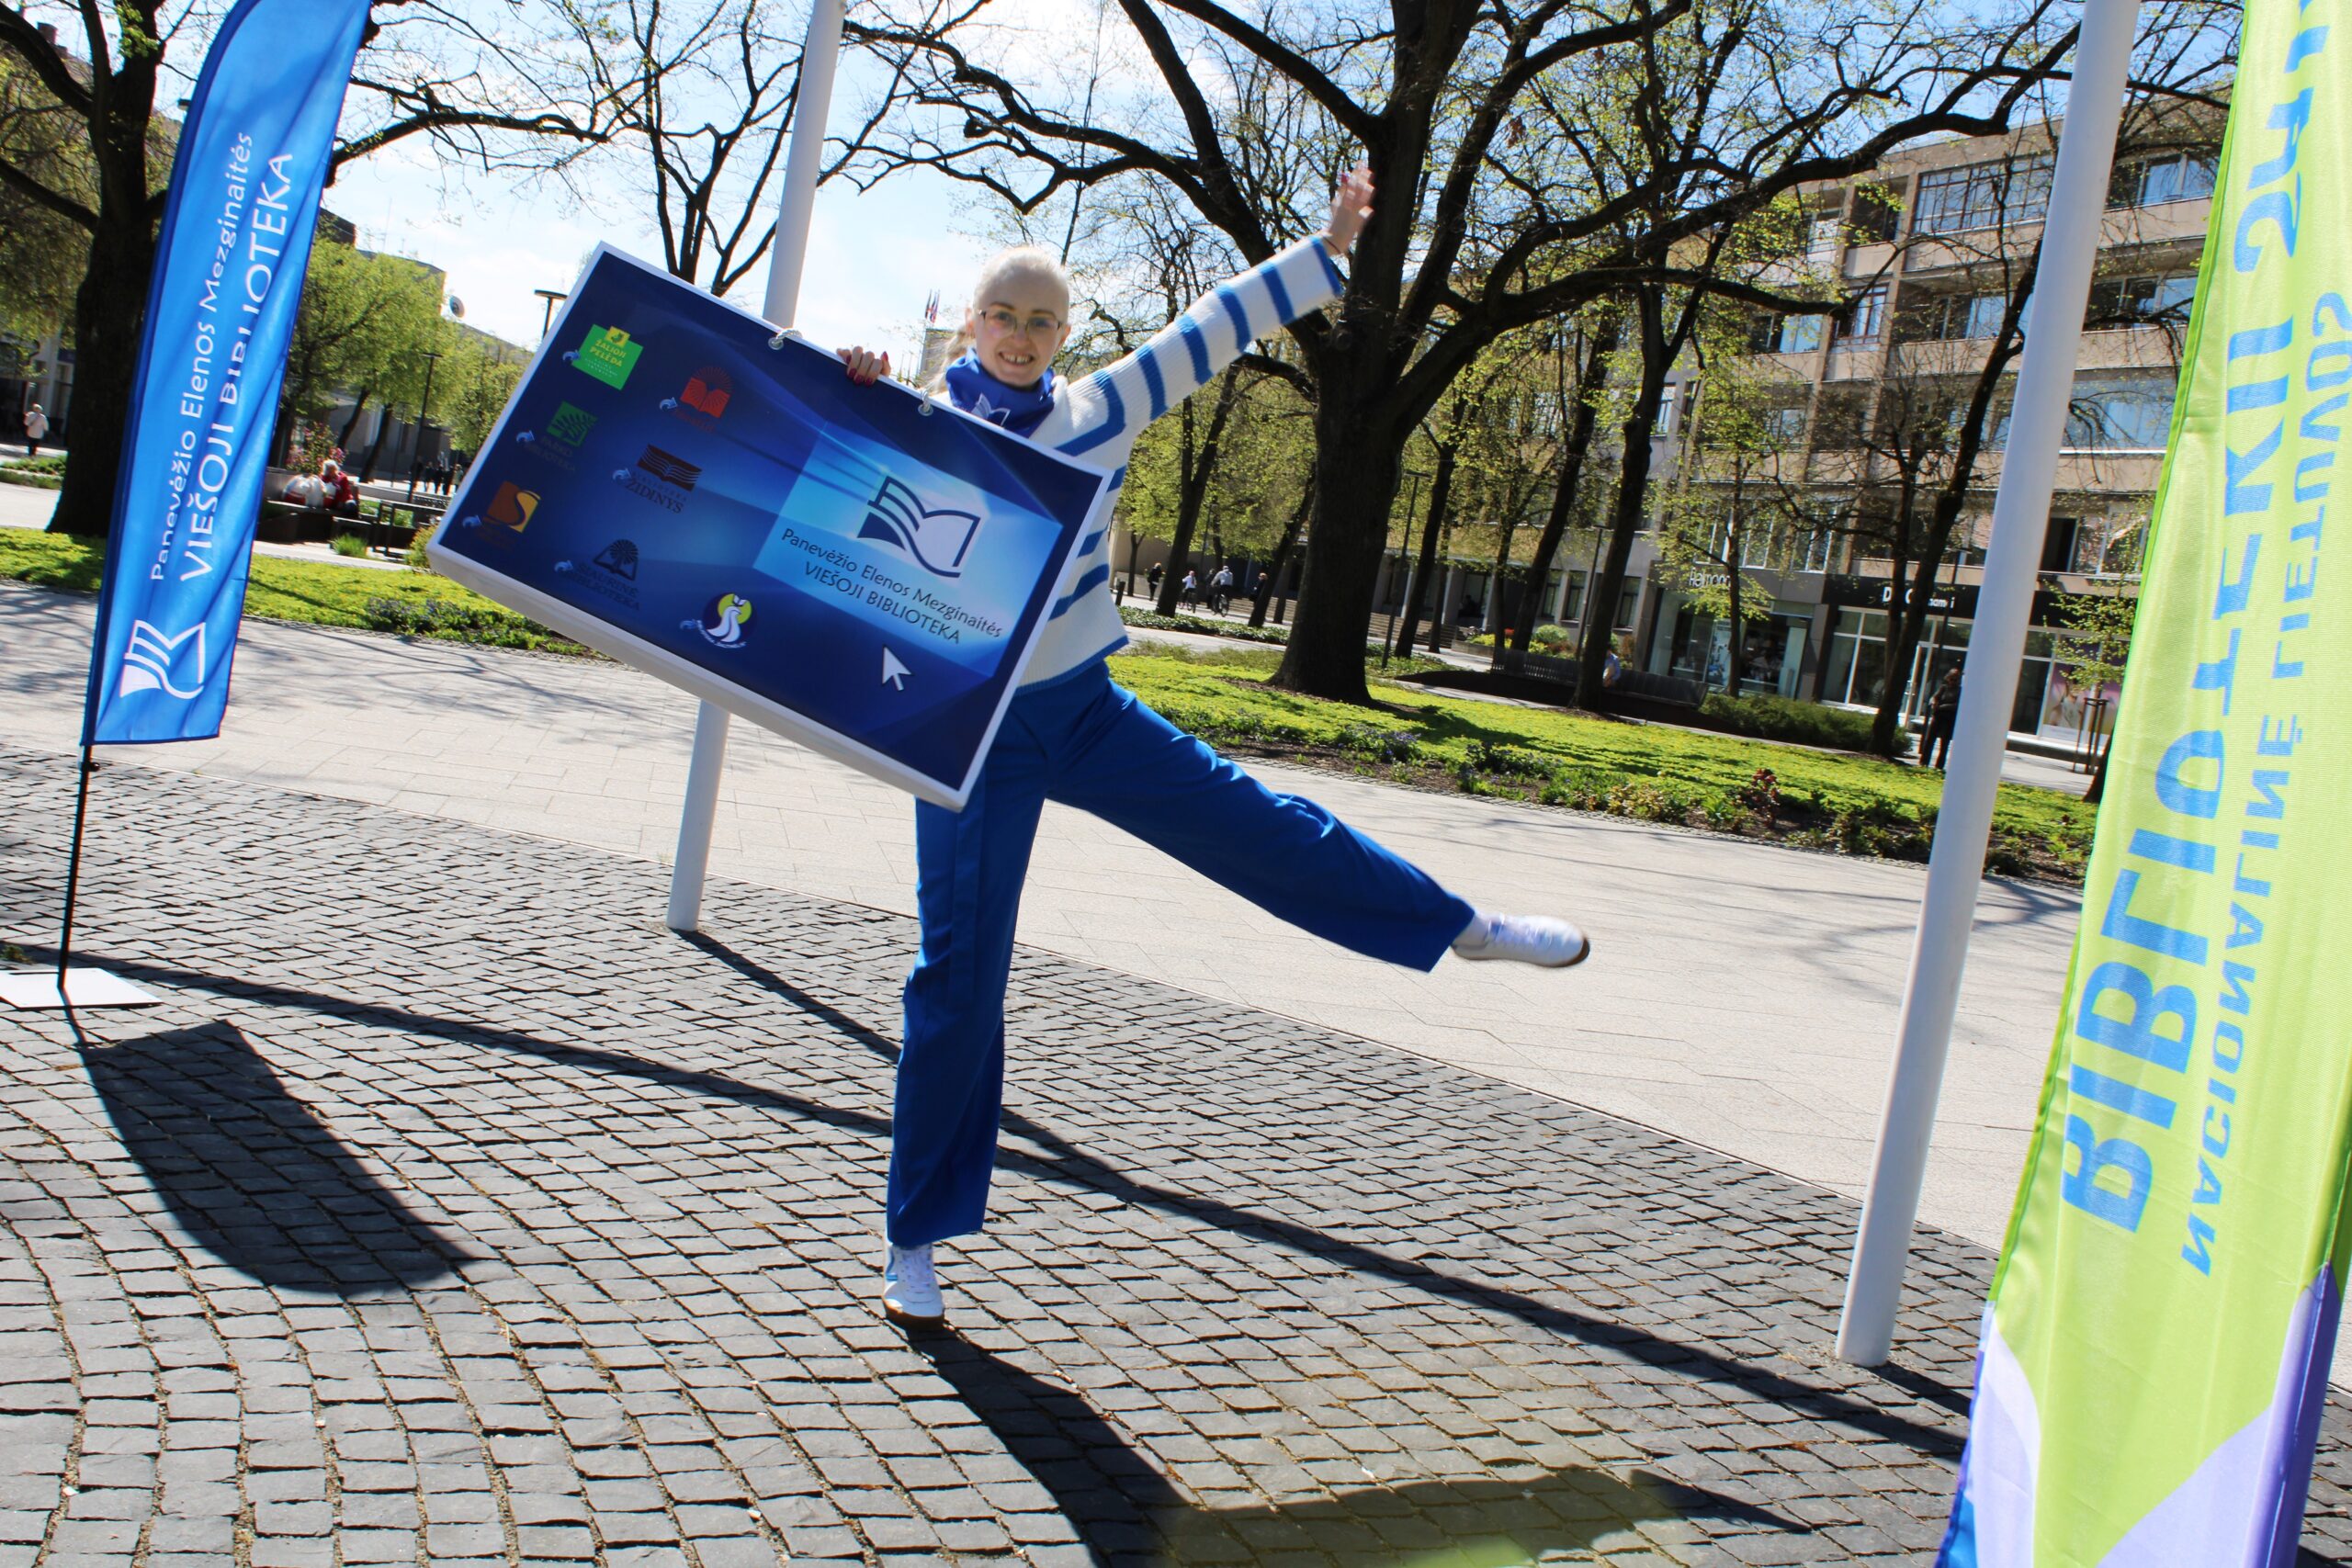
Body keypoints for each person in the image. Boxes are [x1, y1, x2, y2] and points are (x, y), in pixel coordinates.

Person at [835, 165, 1590, 1331]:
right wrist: (861, 388)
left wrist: (1328, 246)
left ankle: (1460, 926)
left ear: (1064, 332)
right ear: (971, 324)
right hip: (974, 736)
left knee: (1258, 825)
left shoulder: (1098, 412)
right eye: (1004, 315)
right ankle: (917, 1236)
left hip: (1082, 708)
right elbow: (822, 465)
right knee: (959, 974)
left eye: (1044, 319)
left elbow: (1211, 330)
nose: (1024, 336)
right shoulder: (920, 424)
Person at [1925, 664, 1963, 769]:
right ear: (1947, 678)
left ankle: (1939, 766)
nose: (1952, 682)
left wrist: (1942, 706)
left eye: (1955, 680)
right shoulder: (1943, 687)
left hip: (1949, 719)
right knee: (1929, 740)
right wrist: (1933, 702)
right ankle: (1924, 762)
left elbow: (1957, 705)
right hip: (1938, 716)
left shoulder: (1960, 691)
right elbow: (1934, 697)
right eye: (1951, 679)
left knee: (1944, 743)